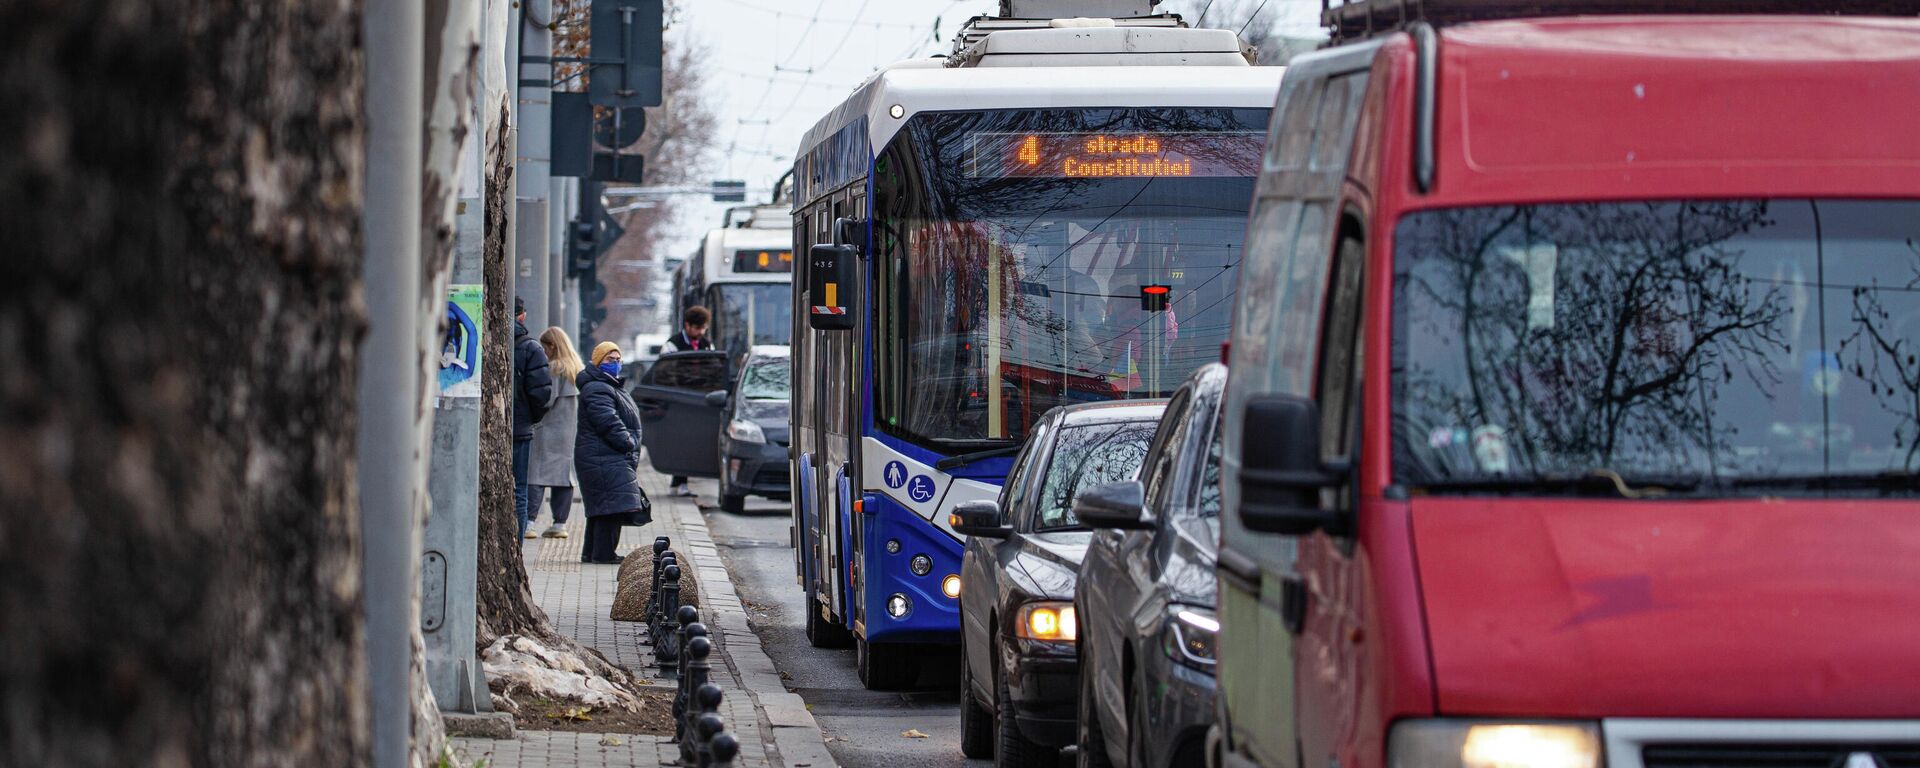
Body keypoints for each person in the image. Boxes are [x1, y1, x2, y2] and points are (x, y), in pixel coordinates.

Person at [576, 341, 650, 564]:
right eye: (610, 359)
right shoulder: (598, 388)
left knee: (602, 507)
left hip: (604, 455)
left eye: (618, 360)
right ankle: (604, 554)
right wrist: (628, 442)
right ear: (598, 362)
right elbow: (608, 422)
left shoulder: (607, 385)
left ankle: (593, 553)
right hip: (604, 455)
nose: (615, 364)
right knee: (612, 507)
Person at [526, 326, 583, 539]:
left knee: (536, 474)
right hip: (568, 431)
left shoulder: (553, 369)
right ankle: (560, 524)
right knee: (564, 478)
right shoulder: (576, 368)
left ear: (552, 346)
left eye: (544, 347)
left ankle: (529, 523)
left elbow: (546, 400)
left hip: (547, 429)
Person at [511, 297, 554, 540]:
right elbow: (541, 394)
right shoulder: (531, 348)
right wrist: (530, 418)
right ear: (522, 316)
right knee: (519, 491)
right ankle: (515, 547)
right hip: (519, 429)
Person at [663, 305, 711, 496]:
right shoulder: (672, 345)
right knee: (680, 441)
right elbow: (666, 372)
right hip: (679, 401)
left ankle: (679, 480)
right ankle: (680, 481)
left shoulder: (707, 345)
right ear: (687, 326)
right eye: (697, 328)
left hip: (699, 402)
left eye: (703, 329)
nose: (700, 333)